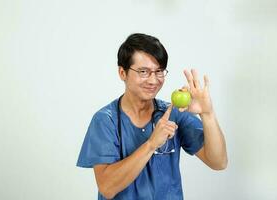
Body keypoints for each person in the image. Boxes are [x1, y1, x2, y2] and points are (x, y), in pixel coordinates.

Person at [77, 33, 228, 200]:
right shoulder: (106, 120)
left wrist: (207, 113)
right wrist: (151, 144)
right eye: (143, 72)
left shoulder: (173, 113)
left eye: (159, 71)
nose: (153, 80)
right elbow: (107, 187)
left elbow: (218, 162)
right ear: (122, 73)